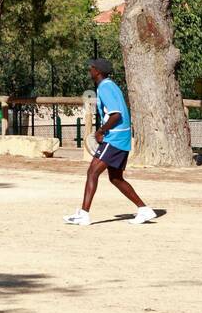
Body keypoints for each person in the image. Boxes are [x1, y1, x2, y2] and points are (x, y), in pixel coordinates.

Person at [65, 59, 159, 226]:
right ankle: (144, 210)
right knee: (115, 178)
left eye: (92, 68)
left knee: (92, 172)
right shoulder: (110, 85)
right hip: (120, 136)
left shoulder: (105, 87)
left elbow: (116, 115)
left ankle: (84, 214)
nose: (90, 69)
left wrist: (101, 131)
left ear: (98, 71)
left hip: (115, 137)